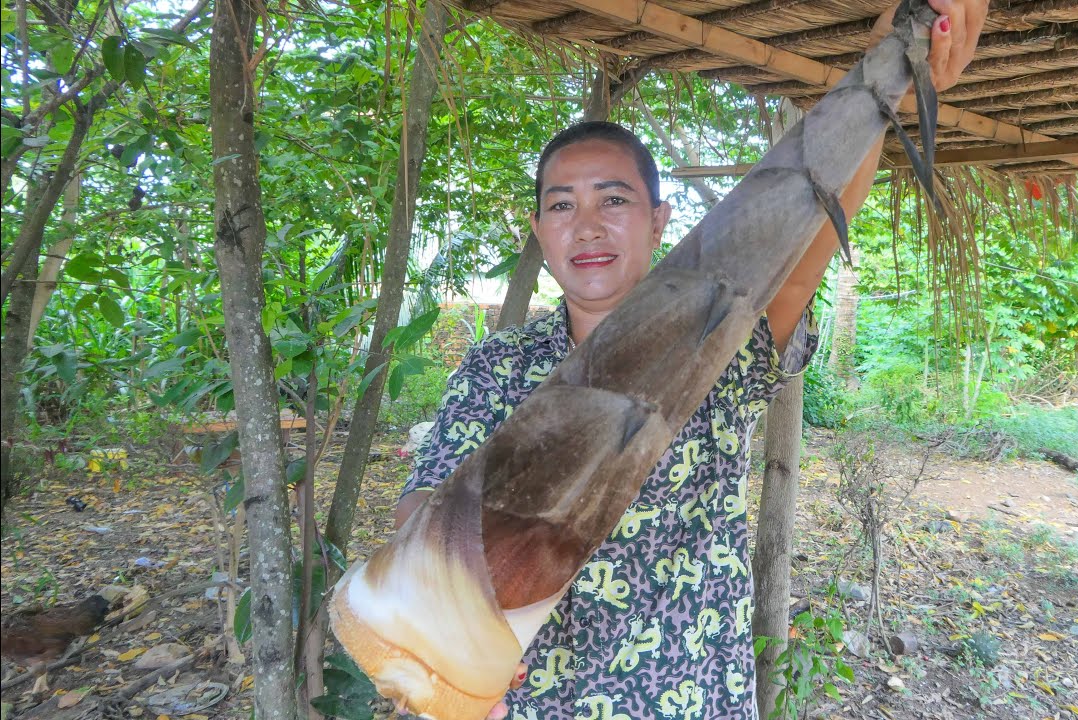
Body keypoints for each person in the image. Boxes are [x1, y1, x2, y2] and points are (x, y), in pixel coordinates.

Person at [394, 2, 987, 717]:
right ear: (539, 229)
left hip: (693, 699)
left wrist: (891, 62)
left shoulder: (720, 342)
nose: (586, 226)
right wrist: (444, 620)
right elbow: (424, 505)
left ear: (658, 218)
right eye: (562, 206)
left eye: (613, 199)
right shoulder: (498, 368)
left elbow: (802, 249)